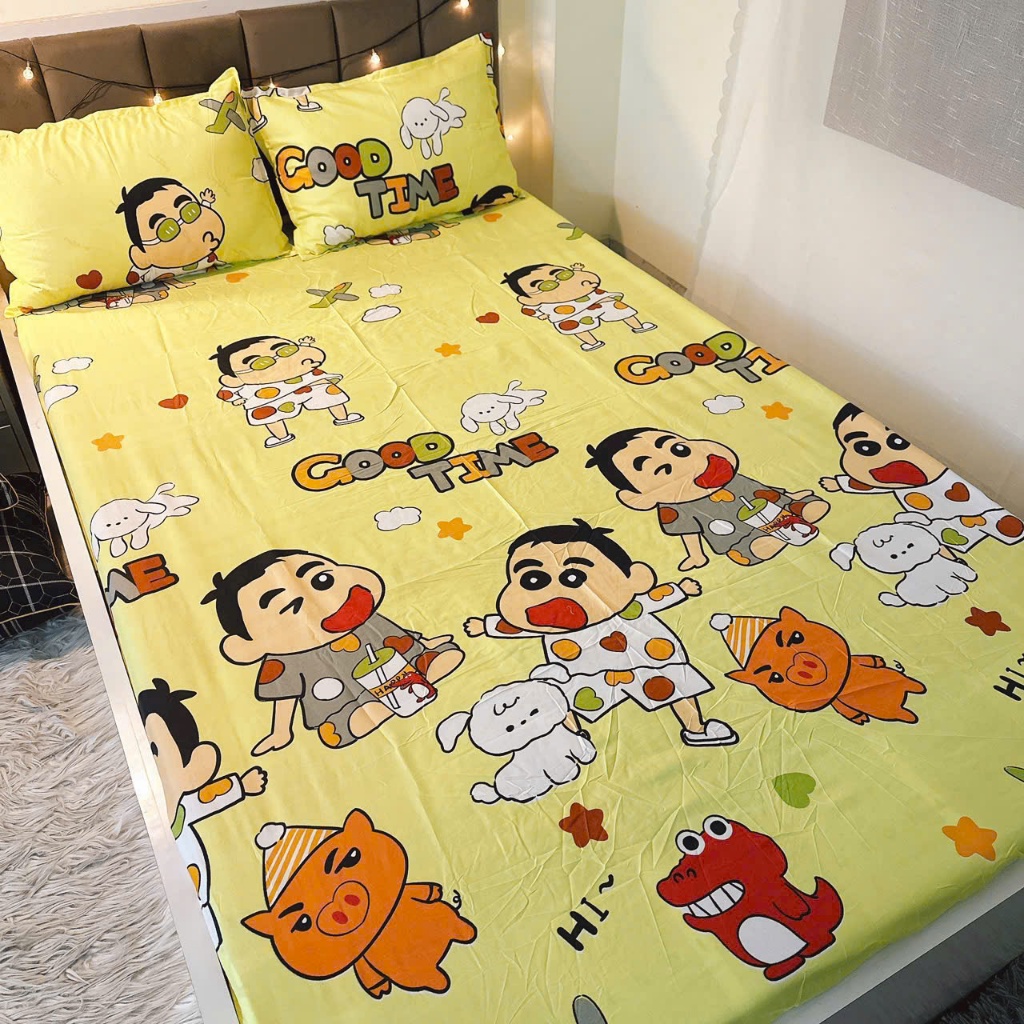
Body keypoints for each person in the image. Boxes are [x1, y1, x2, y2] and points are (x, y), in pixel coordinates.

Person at [463, 519, 737, 748]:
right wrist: (487, 625)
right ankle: (574, 739)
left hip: (647, 662)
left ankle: (696, 729)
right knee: (557, 695)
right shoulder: (553, 624)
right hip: (585, 674)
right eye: (533, 579)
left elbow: (654, 597)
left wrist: (679, 590)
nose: (556, 590)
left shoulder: (629, 608)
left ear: (634, 578)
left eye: (574, 577)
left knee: (677, 682)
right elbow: (517, 627)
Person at [203, 549, 463, 754]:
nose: (314, 605)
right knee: (345, 723)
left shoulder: (355, 616)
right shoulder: (286, 661)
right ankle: (368, 711)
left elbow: (394, 637)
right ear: (246, 645)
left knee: (445, 657)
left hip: (404, 670)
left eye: (323, 579)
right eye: (290, 608)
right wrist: (281, 731)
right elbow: (285, 694)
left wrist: (425, 643)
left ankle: (421, 674)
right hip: (344, 702)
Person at [137, 677, 267, 948]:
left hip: (201, 897)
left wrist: (241, 786)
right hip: (188, 892)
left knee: (208, 920)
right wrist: (241, 786)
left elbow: (209, 798)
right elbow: (207, 798)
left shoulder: (184, 807)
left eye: (156, 749)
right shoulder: (175, 808)